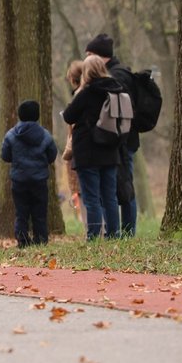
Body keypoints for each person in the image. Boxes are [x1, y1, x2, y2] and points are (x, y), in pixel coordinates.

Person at [61, 55, 125, 240]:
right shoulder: (116, 90)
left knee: (91, 197)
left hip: (88, 152)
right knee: (110, 196)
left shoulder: (86, 93)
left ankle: (94, 235)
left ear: (87, 72)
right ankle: (114, 234)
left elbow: (69, 116)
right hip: (111, 149)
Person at [84, 33, 140, 236]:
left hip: (120, 141)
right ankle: (121, 232)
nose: (86, 60)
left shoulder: (117, 77)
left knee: (124, 188)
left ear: (100, 56)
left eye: (90, 54)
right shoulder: (117, 74)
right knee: (116, 188)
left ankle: (127, 232)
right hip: (119, 140)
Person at [0, 100, 58, 247]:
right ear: (37, 115)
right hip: (39, 180)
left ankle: (23, 240)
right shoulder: (45, 135)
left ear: (20, 115)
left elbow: (5, 156)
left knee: (21, 213)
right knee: (39, 212)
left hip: (19, 181)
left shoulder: (11, 135)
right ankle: (41, 240)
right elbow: (52, 155)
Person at [61, 61, 86, 224]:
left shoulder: (80, 97)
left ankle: (91, 229)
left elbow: (71, 119)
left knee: (83, 192)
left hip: (80, 149)